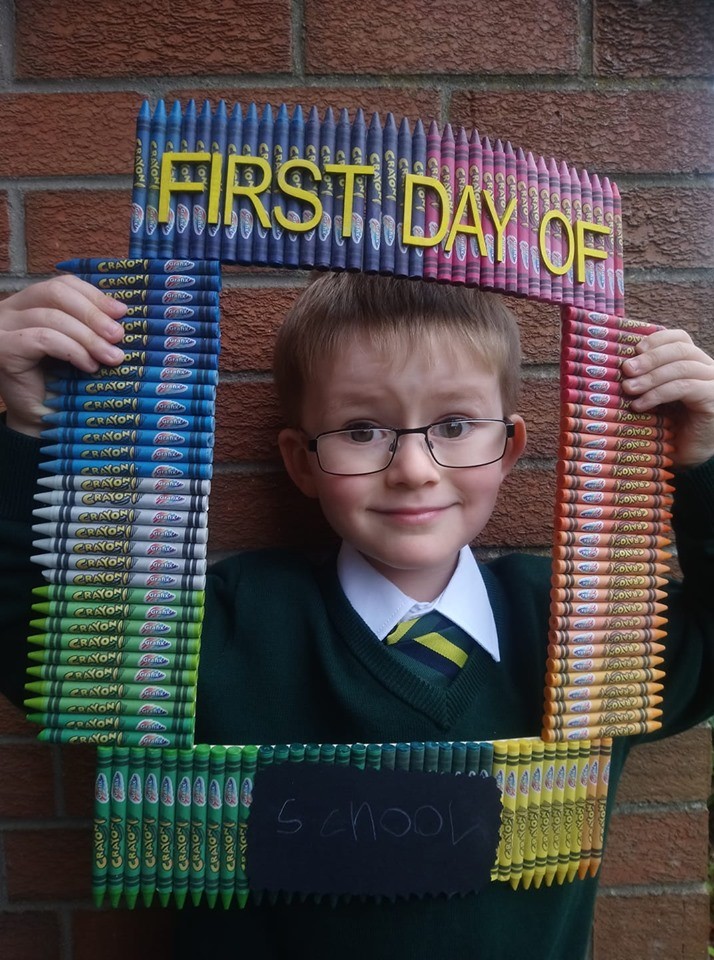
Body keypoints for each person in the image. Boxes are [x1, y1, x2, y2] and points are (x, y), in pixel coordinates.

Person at [0, 271, 713, 960]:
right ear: (301, 462)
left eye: (456, 424)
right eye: (362, 430)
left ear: (509, 448)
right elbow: (31, 644)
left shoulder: (580, 623)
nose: (412, 469)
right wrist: (28, 426)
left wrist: (704, 460)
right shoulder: (229, 626)